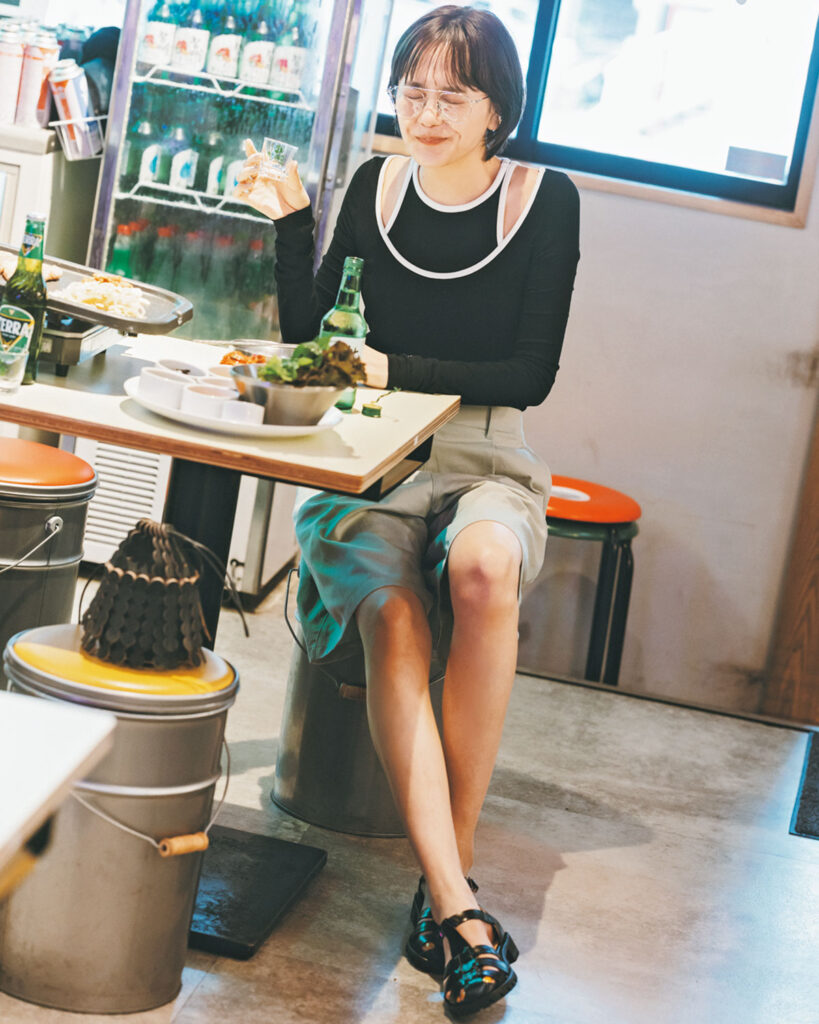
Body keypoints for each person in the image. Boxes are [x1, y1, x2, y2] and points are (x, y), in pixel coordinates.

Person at [234, 5, 579, 1016]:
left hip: (484, 454)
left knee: (483, 568)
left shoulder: (543, 200)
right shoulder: (375, 186)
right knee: (391, 616)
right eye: (411, 90)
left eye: (452, 95)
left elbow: (529, 373)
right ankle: (458, 909)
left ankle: (445, 879)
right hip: (369, 460)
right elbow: (311, 340)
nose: (425, 114)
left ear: (497, 109)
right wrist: (291, 224)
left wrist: (393, 368)